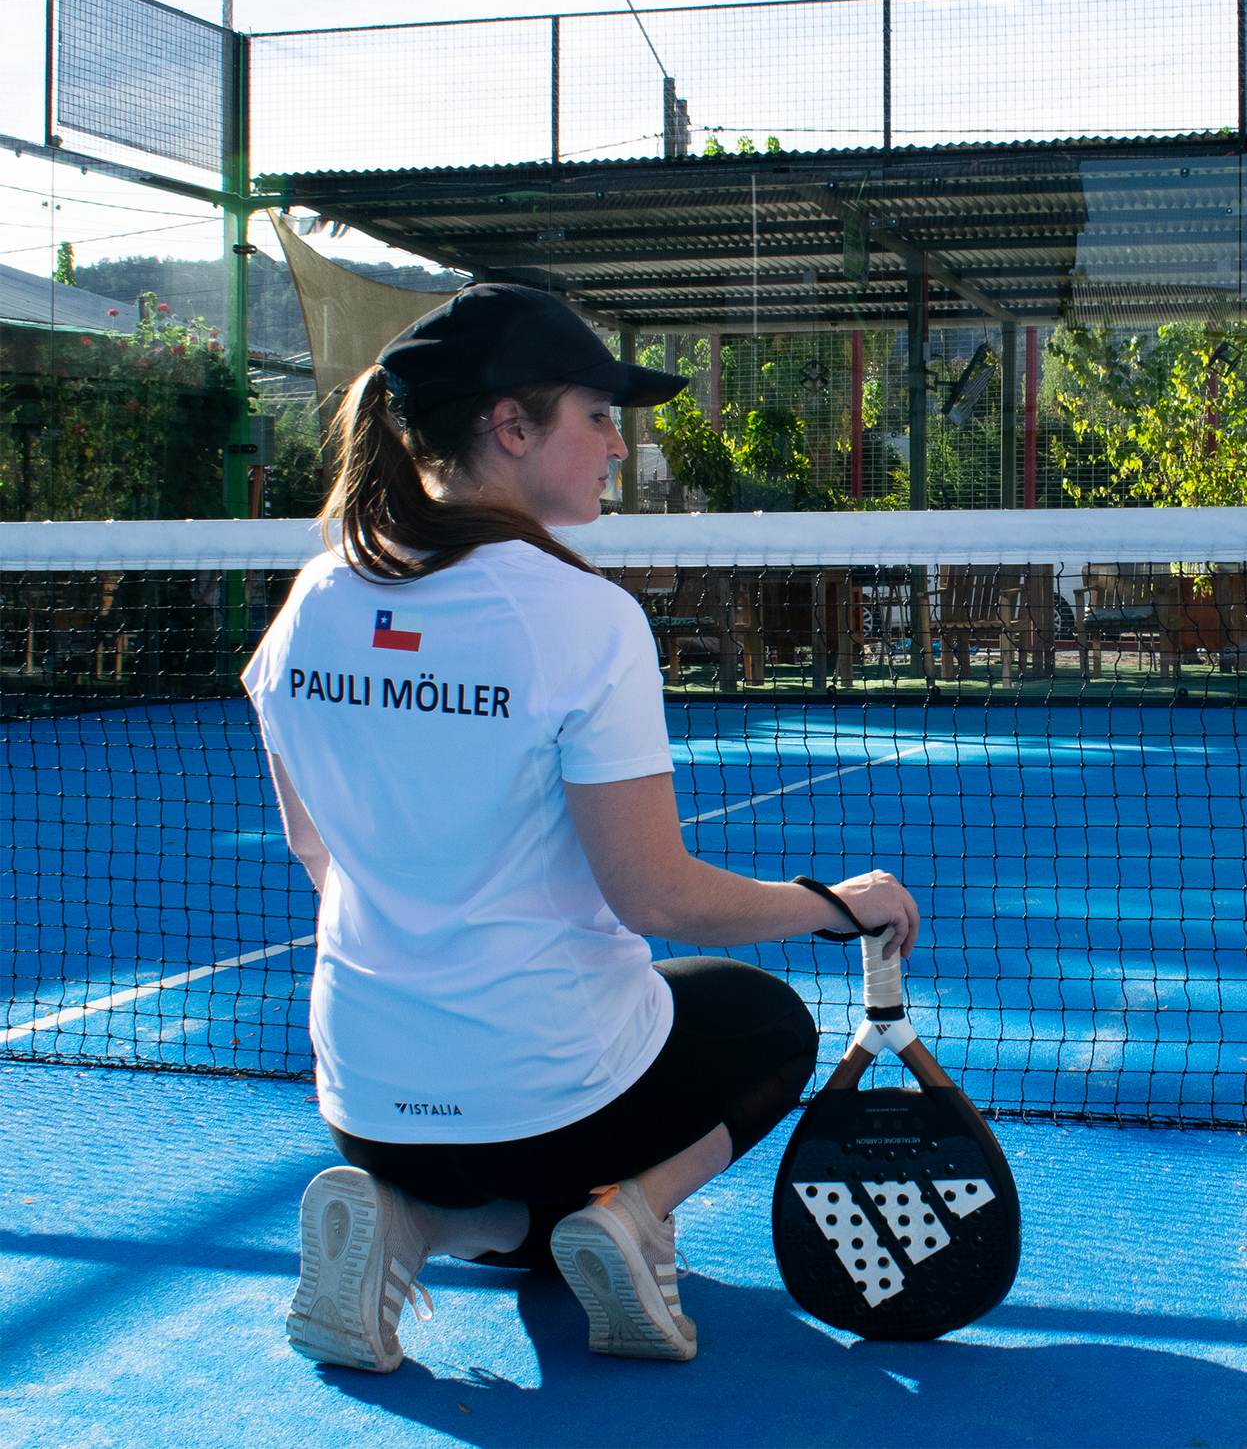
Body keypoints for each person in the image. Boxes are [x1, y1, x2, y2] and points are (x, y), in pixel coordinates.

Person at [242, 284, 920, 1371]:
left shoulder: (309, 602)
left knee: (528, 1174)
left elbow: (312, 850)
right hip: (549, 1097)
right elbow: (654, 897)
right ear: (511, 427)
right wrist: (835, 906)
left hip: (362, 1098)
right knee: (768, 1022)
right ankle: (635, 1209)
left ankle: (416, 1222)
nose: (617, 443)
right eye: (596, 416)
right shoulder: (584, 615)